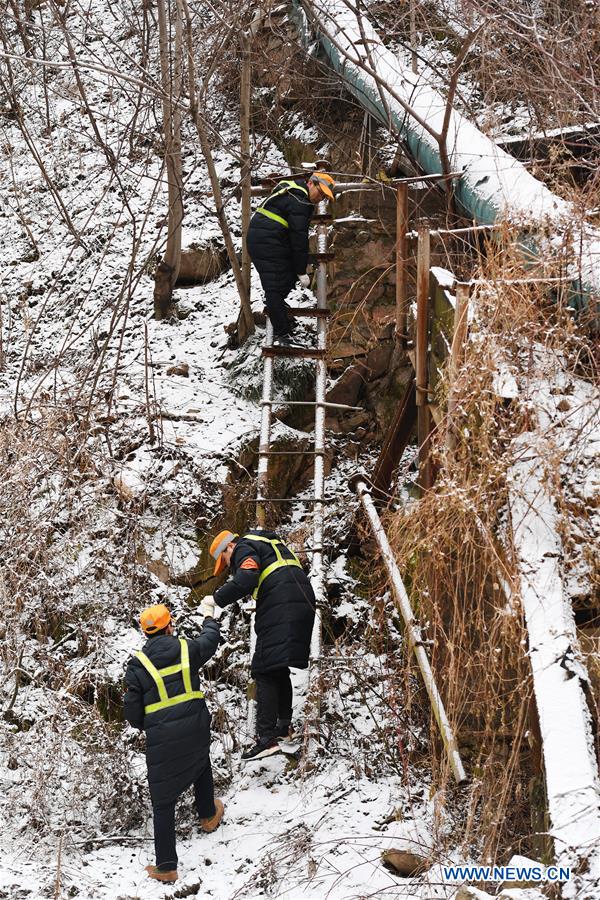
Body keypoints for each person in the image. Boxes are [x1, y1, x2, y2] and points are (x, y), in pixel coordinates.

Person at [123, 601, 224, 884]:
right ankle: (207, 815)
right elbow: (210, 640)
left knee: (163, 799)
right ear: (170, 626)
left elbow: (132, 713)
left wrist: (152, 723)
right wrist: (208, 618)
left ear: (145, 634)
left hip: (162, 739)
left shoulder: (137, 665)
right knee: (201, 760)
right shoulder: (185, 648)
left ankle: (166, 865)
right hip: (195, 725)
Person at [206, 529, 316, 760]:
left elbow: (246, 578)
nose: (228, 567)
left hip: (281, 601)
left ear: (229, 548)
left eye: (225, 562)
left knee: (263, 669)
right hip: (302, 597)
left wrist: (216, 599)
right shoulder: (268, 544)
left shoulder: (244, 546)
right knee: (276, 665)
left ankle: (265, 739)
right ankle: (283, 727)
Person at [245, 171, 335, 346]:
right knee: (275, 287)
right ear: (311, 183)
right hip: (267, 241)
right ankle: (282, 335)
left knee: (282, 279)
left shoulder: (294, 190)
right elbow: (298, 239)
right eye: (321, 192)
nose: (320, 198)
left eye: (325, 196)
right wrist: (301, 271)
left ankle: (277, 309)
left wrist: (298, 267)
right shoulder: (300, 200)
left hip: (265, 238)